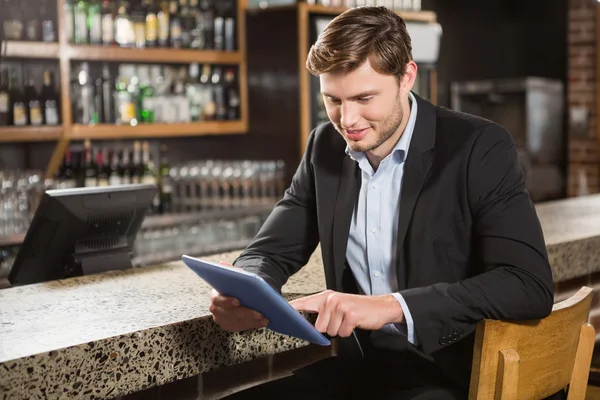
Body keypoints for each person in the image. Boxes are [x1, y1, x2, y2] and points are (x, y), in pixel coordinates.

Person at [209, 5, 555, 399]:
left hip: (454, 377)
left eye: (363, 97)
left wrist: (392, 306)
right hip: (364, 372)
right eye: (333, 100)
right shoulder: (324, 146)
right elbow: (272, 250)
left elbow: (527, 285)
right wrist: (246, 288)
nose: (347, 119)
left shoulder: (479, 146)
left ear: (407, 77)